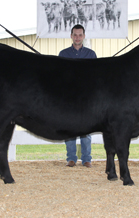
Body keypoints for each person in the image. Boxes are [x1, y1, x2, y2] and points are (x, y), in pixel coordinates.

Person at [58, 24, 96, 168]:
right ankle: (71, 159)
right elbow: (59, 77)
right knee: (69, 127)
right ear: (71, 36)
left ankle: (87, 159)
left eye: (80, 35)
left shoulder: (91, 55)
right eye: (75, 34)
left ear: (84, 36)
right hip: (68, 98)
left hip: (86, 98)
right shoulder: (63, 54)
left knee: (86, 129)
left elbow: (95, 78)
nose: (77, 37)